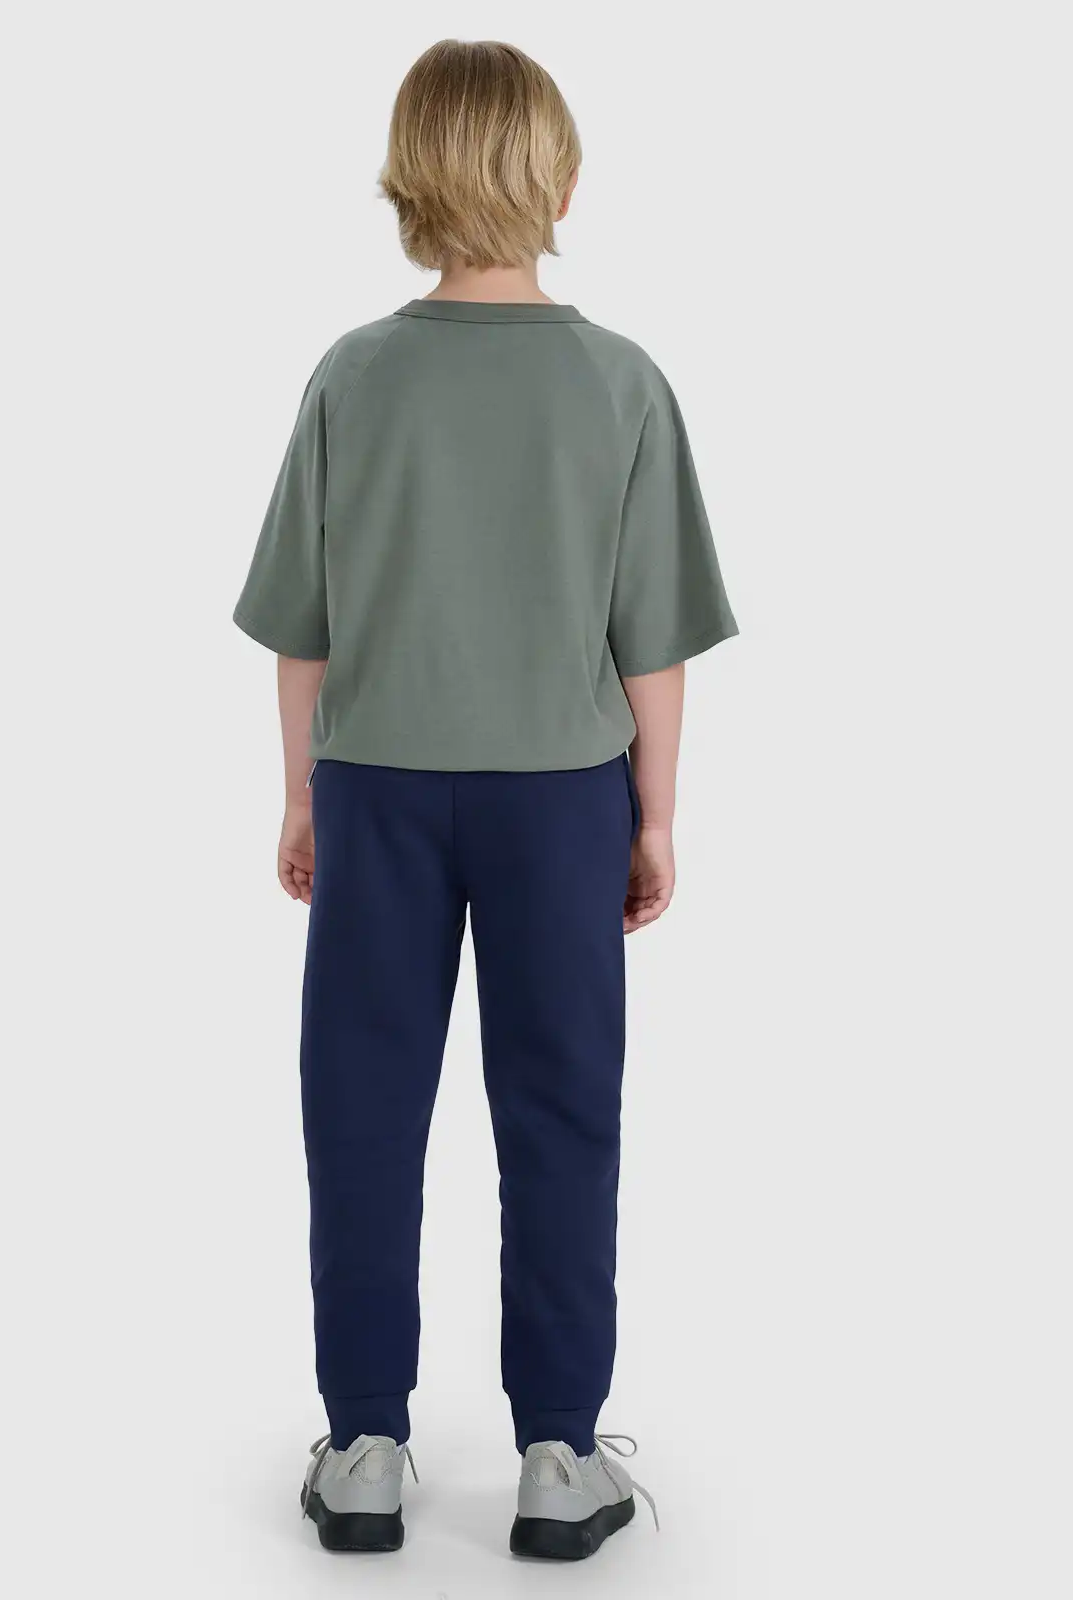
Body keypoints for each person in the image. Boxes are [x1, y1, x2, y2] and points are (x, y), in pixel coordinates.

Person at [234, 38, 737, 1561]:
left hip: (377, 785)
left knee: (361, 1107)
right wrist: (655, 816)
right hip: (561, 796)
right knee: (564, 1110)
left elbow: (305, 628)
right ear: (562, 183)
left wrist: (301, 799)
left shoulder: (354, 375)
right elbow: (650, 641)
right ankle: (560, 1458)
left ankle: (364, 1448)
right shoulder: (620, 382)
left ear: (404, 184)